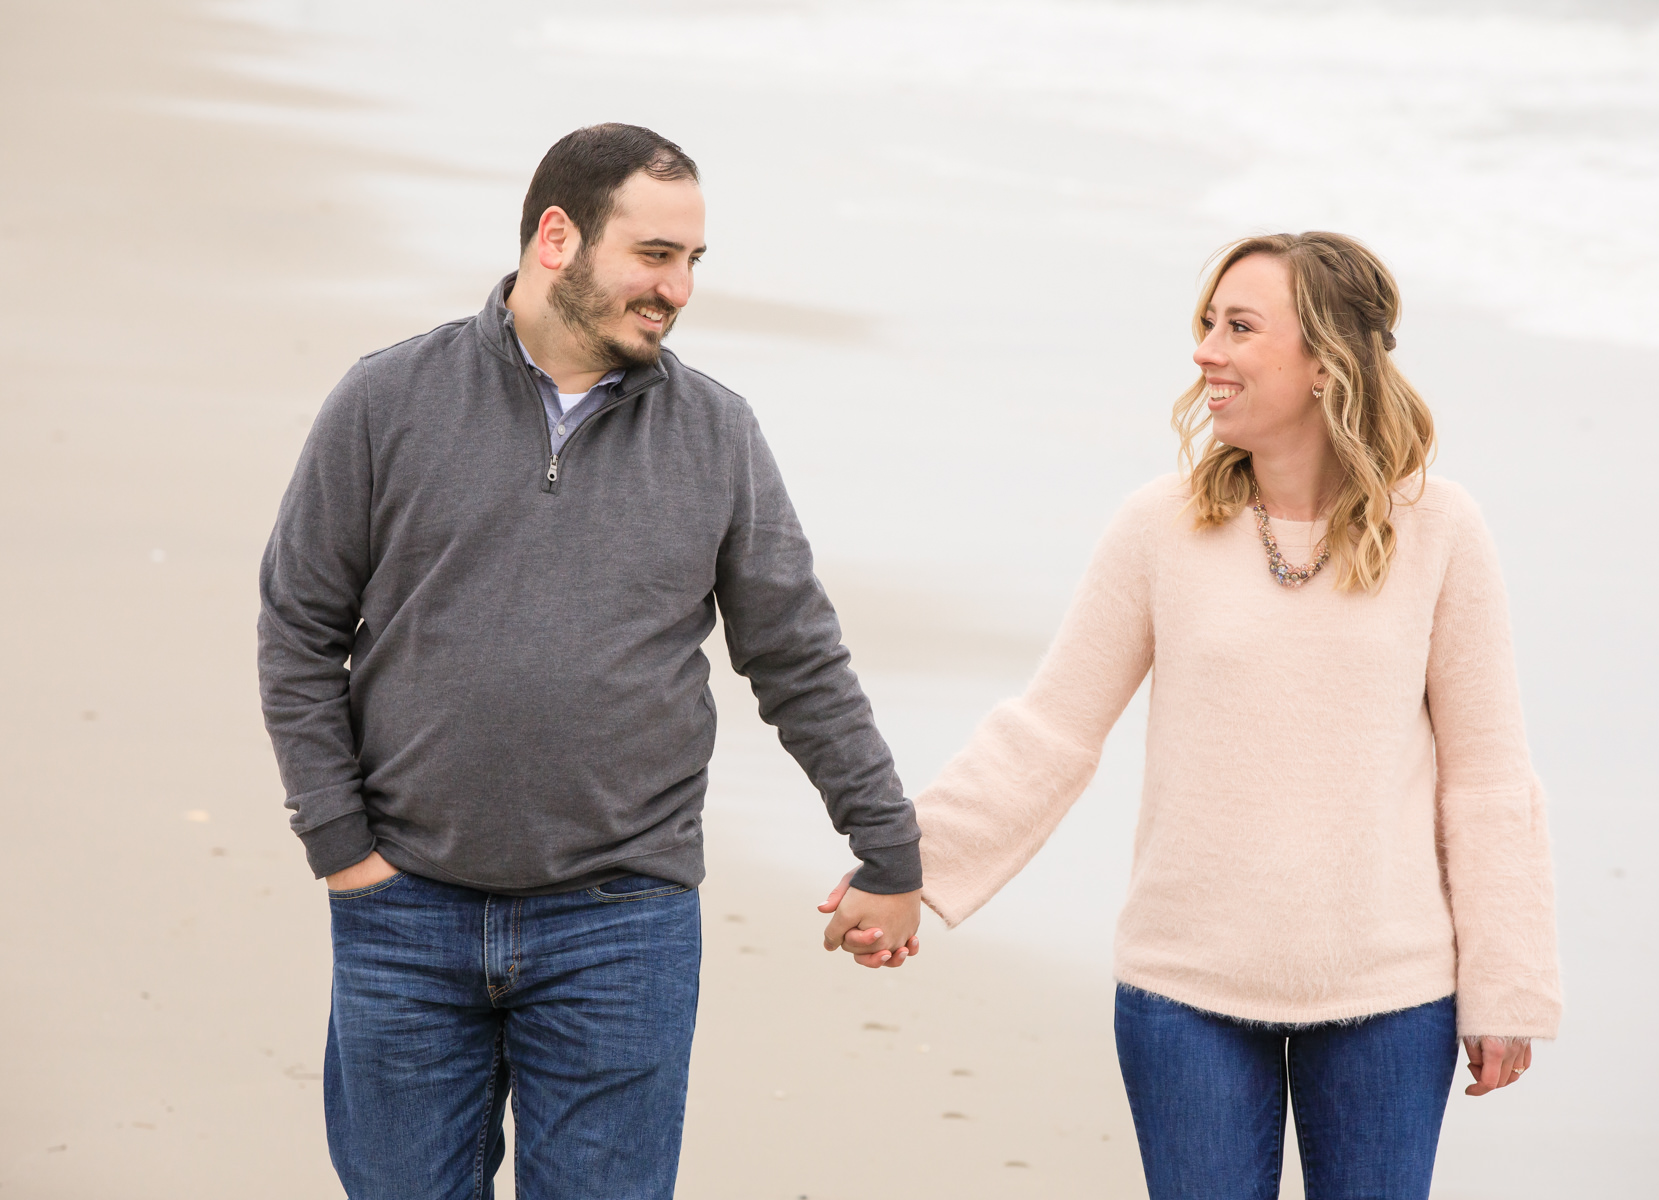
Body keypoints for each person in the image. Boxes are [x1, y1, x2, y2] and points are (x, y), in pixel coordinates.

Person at [257, 123, 920, 1200]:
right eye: (655, 255)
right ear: (556, 238)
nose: (679, 289)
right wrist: (342, 849)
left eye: (693, 261)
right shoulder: (386, 400)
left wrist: (888, 846)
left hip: (623, 923)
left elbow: (796, 656)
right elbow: (298, 626)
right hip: (404, 910)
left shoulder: (716, 434)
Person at [909, 233, 1562, 1199]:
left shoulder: (1440, 530)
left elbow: (1488, 774)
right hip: (1186, 991)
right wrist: (904, 862)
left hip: (1391, 996)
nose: (1205, 351)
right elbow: (1052, 728)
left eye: (1239, 327)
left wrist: (1508, 985)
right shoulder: (1158, 527)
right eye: (1206, 325)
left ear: (1327, 360)